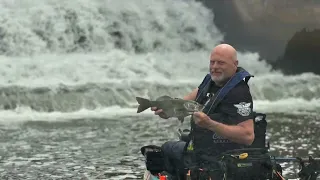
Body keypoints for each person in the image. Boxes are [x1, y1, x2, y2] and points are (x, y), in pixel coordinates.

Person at [150, 43, 255, 178]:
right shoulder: (210, 82)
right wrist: (167, 110)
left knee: (166, 150)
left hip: (220, 158)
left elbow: (248, 136)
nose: (215, 67)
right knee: (164, 149)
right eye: (212, 62)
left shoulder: (239, 93)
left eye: (221, 63)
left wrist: (210, 124)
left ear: (235, 64)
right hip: (201, 151)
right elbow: (183, 103)